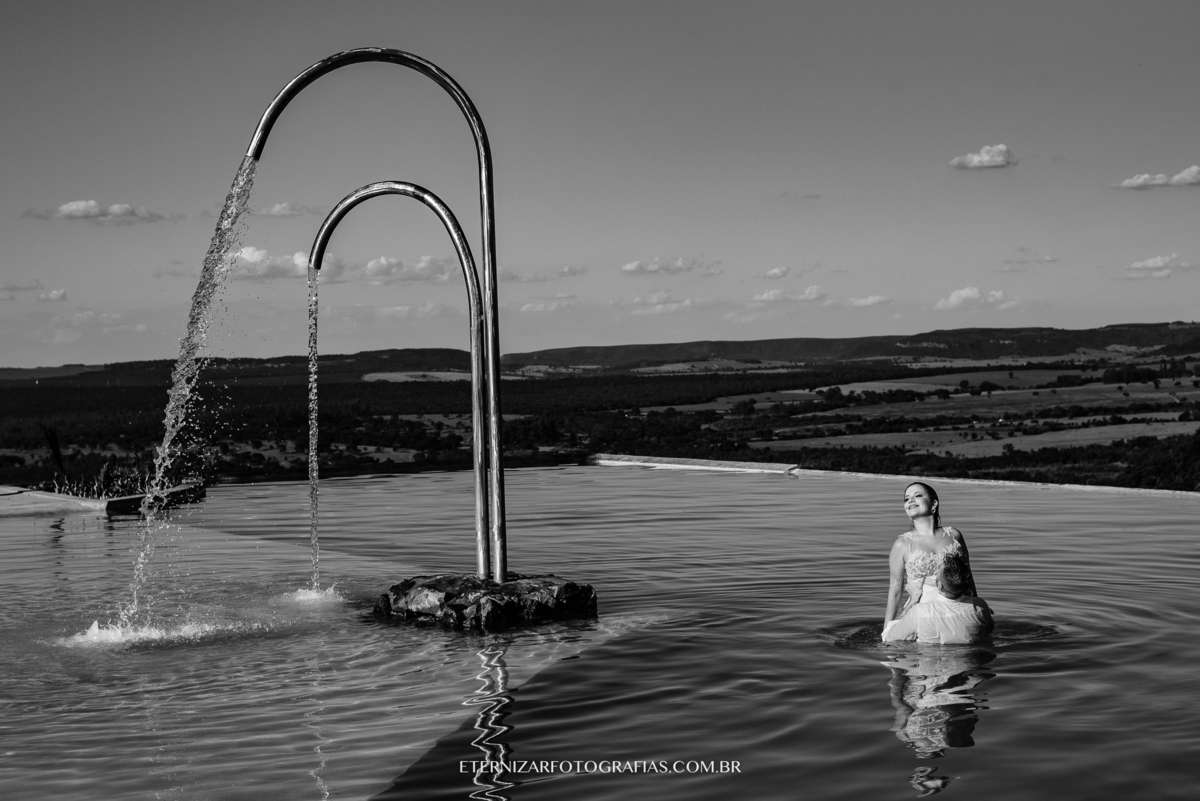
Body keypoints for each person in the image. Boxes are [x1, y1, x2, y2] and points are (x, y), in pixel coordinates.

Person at [884, 481, 977, 628]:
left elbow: (967, 576)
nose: (911, 500)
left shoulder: (954, 536)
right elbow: (895, 591)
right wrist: (887, 630)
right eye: (907, 499)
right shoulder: (902, 545)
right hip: (921, 617)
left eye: (918, 495)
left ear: (934, 504)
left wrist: (976, 607)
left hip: (957, 612)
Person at [882, 554, 994, 644]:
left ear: (940, 586)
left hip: (929, 670)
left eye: (938, 572)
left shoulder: (920, 612)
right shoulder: (980, 607)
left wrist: (913, 600)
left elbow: (887, 637)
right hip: (968, 667)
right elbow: (988, 630)